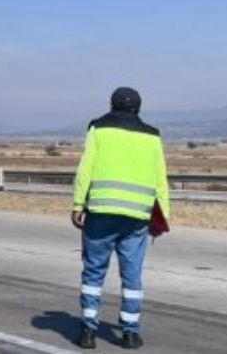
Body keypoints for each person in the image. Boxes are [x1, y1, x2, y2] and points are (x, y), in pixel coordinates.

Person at [71, 87, 170, 350]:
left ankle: (88, 331)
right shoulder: (152, 136)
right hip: (137, 216)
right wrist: (163, 218)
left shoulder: (98, 129)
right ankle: (130, 333)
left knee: (94, 272)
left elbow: (85, 169)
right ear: (138, 107)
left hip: (101, 213)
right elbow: (160, 180)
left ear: (112, 105)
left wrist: (78, 204)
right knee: (132, 275)